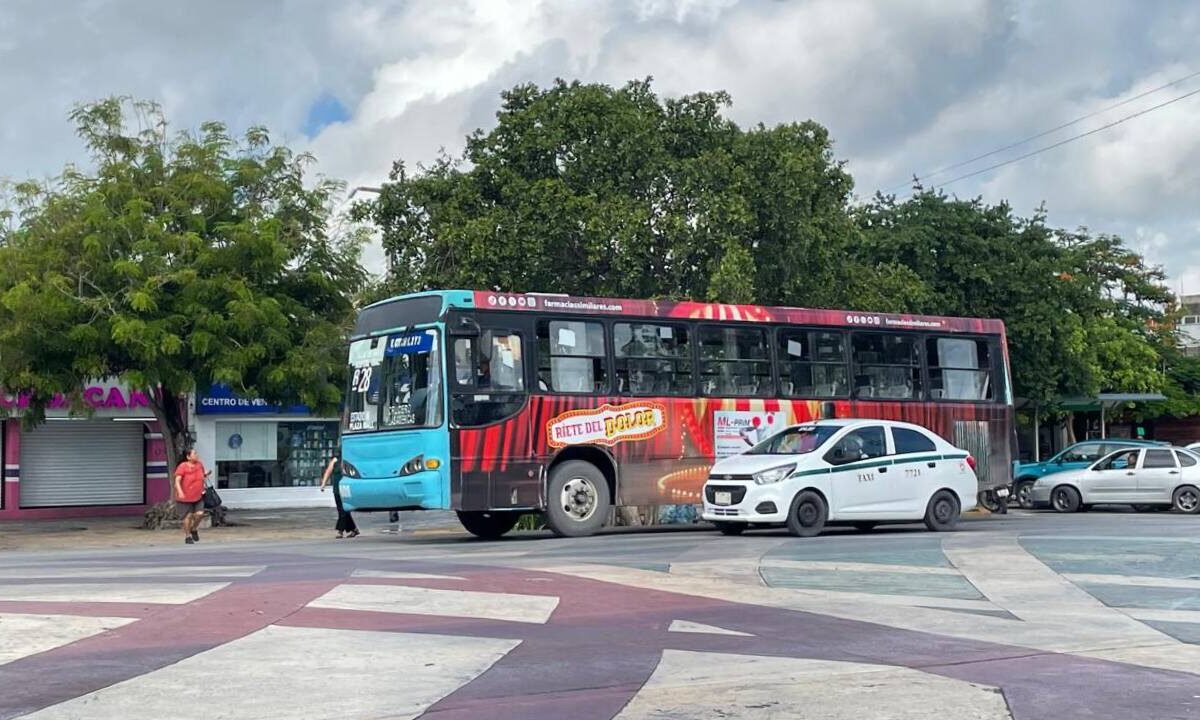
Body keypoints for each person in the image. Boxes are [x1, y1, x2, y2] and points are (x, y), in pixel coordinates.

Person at [173, 448, 210, 545]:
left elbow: (202, 475)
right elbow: (177, 481)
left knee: (200, 514)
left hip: (198, 496)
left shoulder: (200, 465)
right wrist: (180, 492)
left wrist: (206, 473)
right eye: (194, 454)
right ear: (188, 457)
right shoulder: (182, 466)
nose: (197, 455)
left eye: (197, 453)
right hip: (185, 497)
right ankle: (187, 536)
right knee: (188, 516)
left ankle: (194, 529)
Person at [320, 448, 359, 538]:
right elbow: (328, 472)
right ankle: (354, 529)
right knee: (343, 510)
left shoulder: (348, 461)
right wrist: (323, 484)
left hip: (346, 489)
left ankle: (340, 531)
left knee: (343, 510)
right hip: (337, 489)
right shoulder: (335, 460)